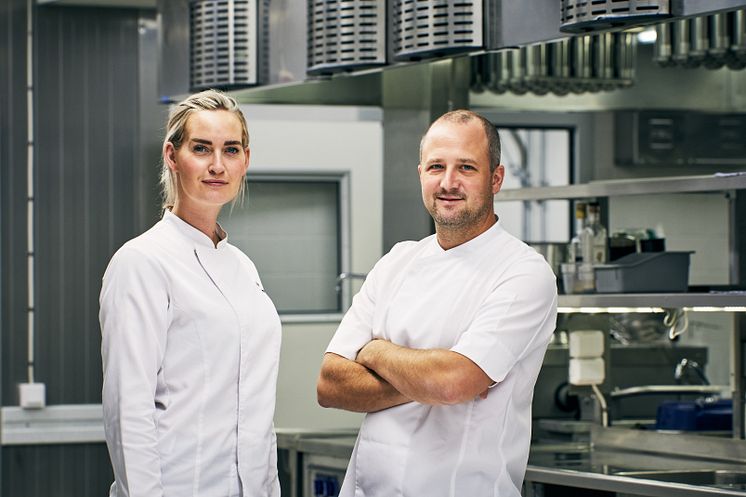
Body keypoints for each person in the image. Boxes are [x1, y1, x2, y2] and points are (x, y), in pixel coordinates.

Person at [317, 110, 557, 497]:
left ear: (495, 178)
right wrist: (434, 378)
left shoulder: (523, 273)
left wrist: (374, 352)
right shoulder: (398, 260)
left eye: (466, 167)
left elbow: (450, 384)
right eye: (436, 167)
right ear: (420, 175)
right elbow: (330, 384)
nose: (448, 182)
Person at [99, 89, 281, 497]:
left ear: (245, 161)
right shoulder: (142, 262)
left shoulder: (243, 268)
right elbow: (128, 410)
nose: (218, 165)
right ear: (171, 155)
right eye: (201, 149)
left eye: (230, 150)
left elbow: (253, 408)